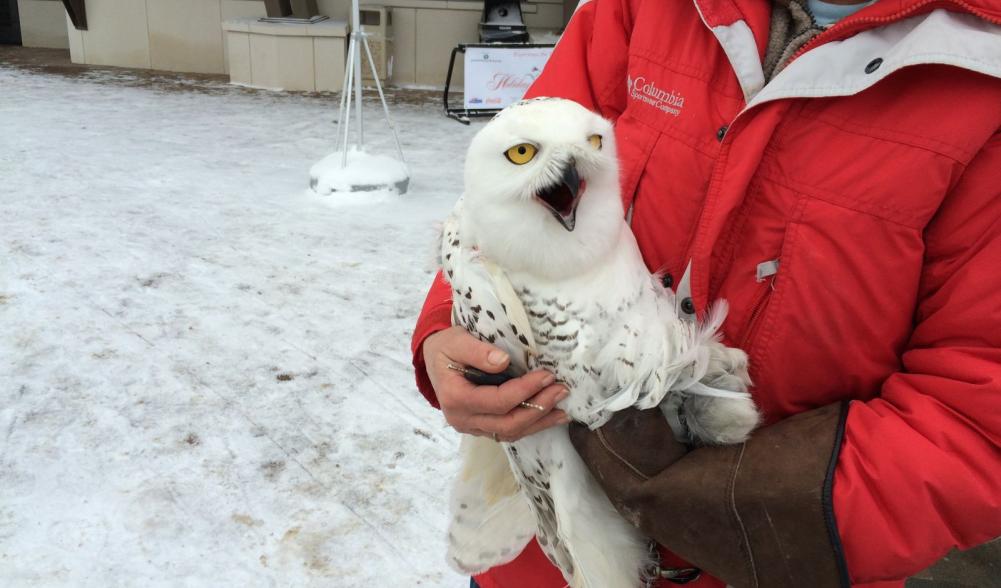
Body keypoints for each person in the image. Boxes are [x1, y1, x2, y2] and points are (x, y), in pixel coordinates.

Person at [411, 0, 1001, 586]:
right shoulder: (641, 9)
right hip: (551, 537)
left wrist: (754, 516)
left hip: (769, 565)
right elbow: (503, 187)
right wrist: (453, 327)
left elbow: (977, 415)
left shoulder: (981, 70)